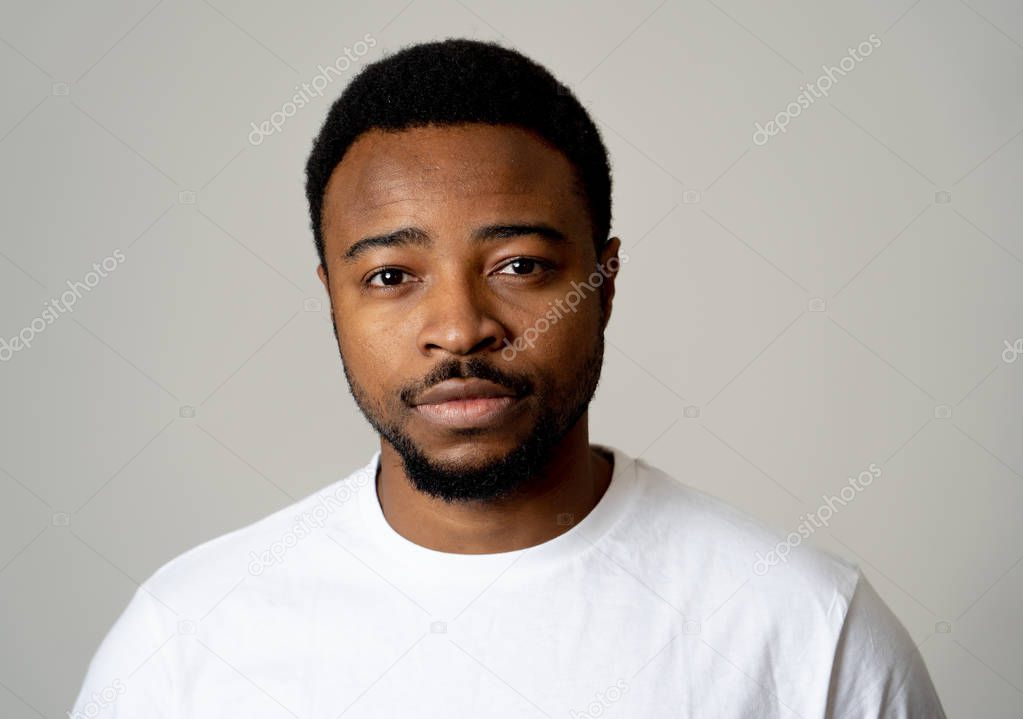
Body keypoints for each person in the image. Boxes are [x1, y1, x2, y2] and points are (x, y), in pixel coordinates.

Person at [71, 38, 946, 717]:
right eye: (389, 276)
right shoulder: (185, 639)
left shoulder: (806, 628)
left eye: (519, 264)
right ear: (331, 299)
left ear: (602, 283)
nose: (459, 328)